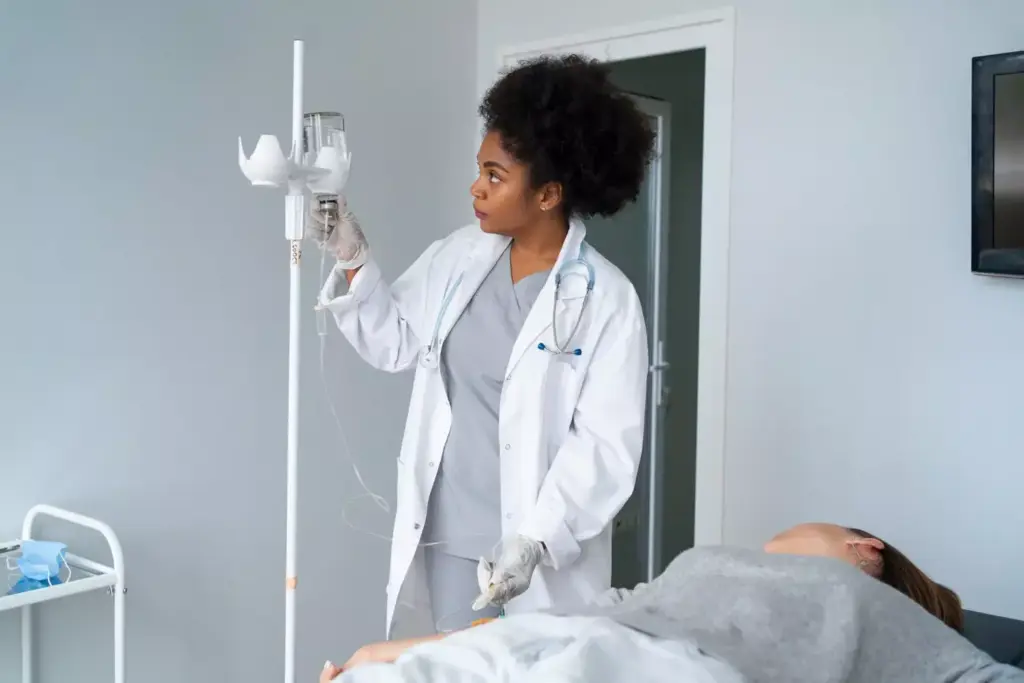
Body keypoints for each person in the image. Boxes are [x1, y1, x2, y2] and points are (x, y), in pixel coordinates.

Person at [314, 53, 656, 638]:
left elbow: (604, 447)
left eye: (495, 176)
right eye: (480, 170)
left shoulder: (608, 301)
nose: (476, 187)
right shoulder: (458, 258)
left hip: (537, 554)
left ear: (548, 194)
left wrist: (535, 538)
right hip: (450, 536)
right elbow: (395, 343)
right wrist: (352, 257)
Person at [320, 523, 1021, 682]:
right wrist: (391, 652)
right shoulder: (699, 564)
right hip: (572, 644)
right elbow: (569, 621)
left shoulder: (865, 598)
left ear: (864, 546)